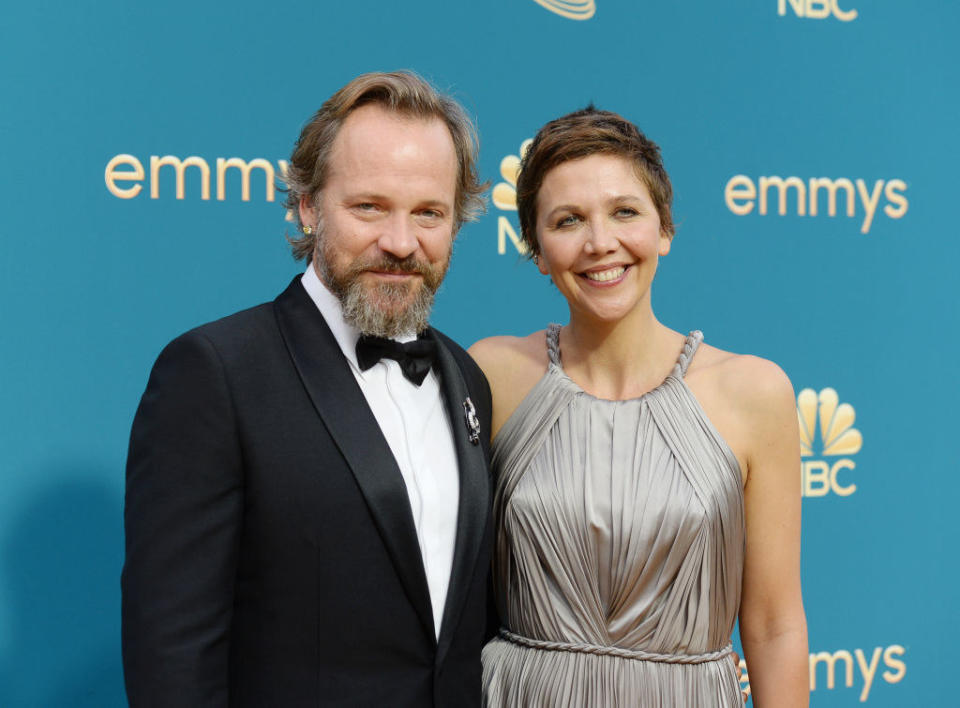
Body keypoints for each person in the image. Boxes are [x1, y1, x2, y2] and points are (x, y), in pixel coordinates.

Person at [121, 71, 495, 707]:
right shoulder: (215, 374)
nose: (401, 243)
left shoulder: (468, 379)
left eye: (428, 212)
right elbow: (172, 655)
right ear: (308, 205)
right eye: (369, 207)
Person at [469, 107, 808, 706]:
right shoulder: (494, 375)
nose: (601, 243)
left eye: (625, 212)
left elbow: (774, 626)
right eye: (568, 220)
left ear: (664, 230)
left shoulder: (754, 393)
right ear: (538, 251)